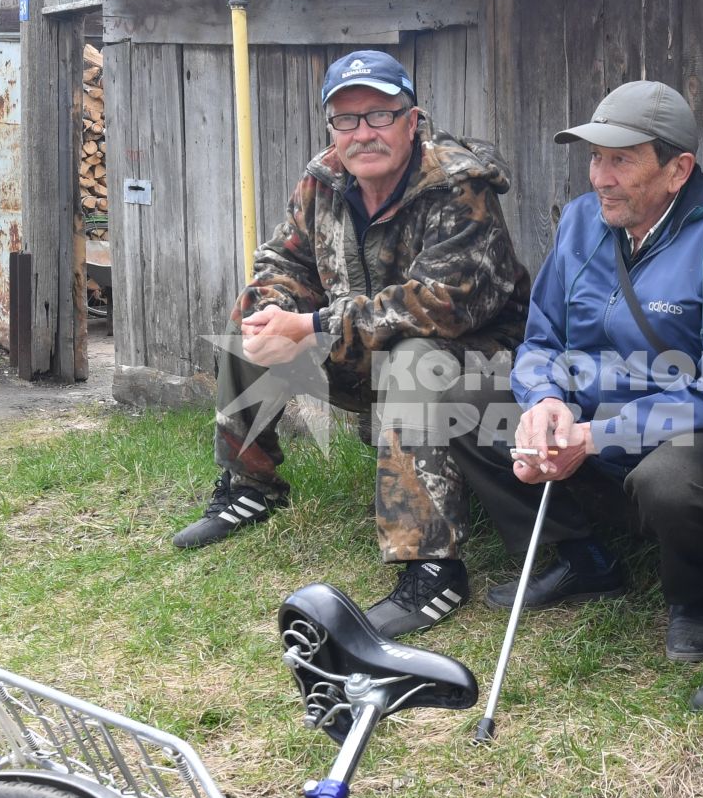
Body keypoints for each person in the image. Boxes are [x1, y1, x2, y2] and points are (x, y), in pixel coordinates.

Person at [173, 49, 531, 638]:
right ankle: (249, 485)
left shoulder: (458, 187)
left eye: (379, 116)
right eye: (346, 120)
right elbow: (283, 258)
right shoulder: (323, 180)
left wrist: (312, 328)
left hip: (479, 369)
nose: (362, 133)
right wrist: (275, 310)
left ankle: (432, 571)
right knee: (253, 321)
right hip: (367, 351)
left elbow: (440, 302)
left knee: (413, 358)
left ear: (411, 121)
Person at [451, 80, 703, 663]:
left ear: (677, 170)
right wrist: (543, 400)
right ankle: (579, 555)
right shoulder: (583, 221)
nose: (599, 178)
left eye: (621, 160)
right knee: (457, 401)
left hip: (684, 424)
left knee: (672, 482)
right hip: (586, 406)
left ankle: (695, 598)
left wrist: (596, 436)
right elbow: (542, 338)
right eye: (594, 158)